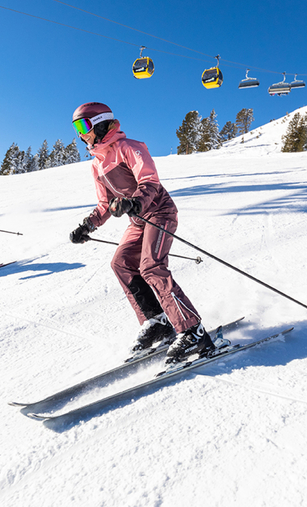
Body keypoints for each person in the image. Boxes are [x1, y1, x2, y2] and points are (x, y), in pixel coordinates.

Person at [68, 102, 214, 364]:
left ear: (100, 123)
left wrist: (135, 202)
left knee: (151, 267)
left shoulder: (130, 147)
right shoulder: (97, 164)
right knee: (121, 263)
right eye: (77, 128)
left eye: (84, 125)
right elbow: (105, 204)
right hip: (138, 221)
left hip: (159, 212)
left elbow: (150, 181)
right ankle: (157, 322)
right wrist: (87, 225)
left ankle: (193, 331)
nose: (81, 133)